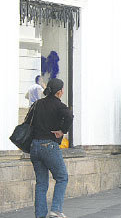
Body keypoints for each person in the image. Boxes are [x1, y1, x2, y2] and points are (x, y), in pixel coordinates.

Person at [27, 78, 73, 218]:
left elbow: (29, 121)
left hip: (34, 146)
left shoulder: (38, 103)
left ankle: (40, 215)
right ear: (59, 92)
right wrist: (62, 131)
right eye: (63, 90)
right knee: (62, 177)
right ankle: (56, 210)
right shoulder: (58, 105)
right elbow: (70, 115)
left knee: (41, 183)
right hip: (49, 145)